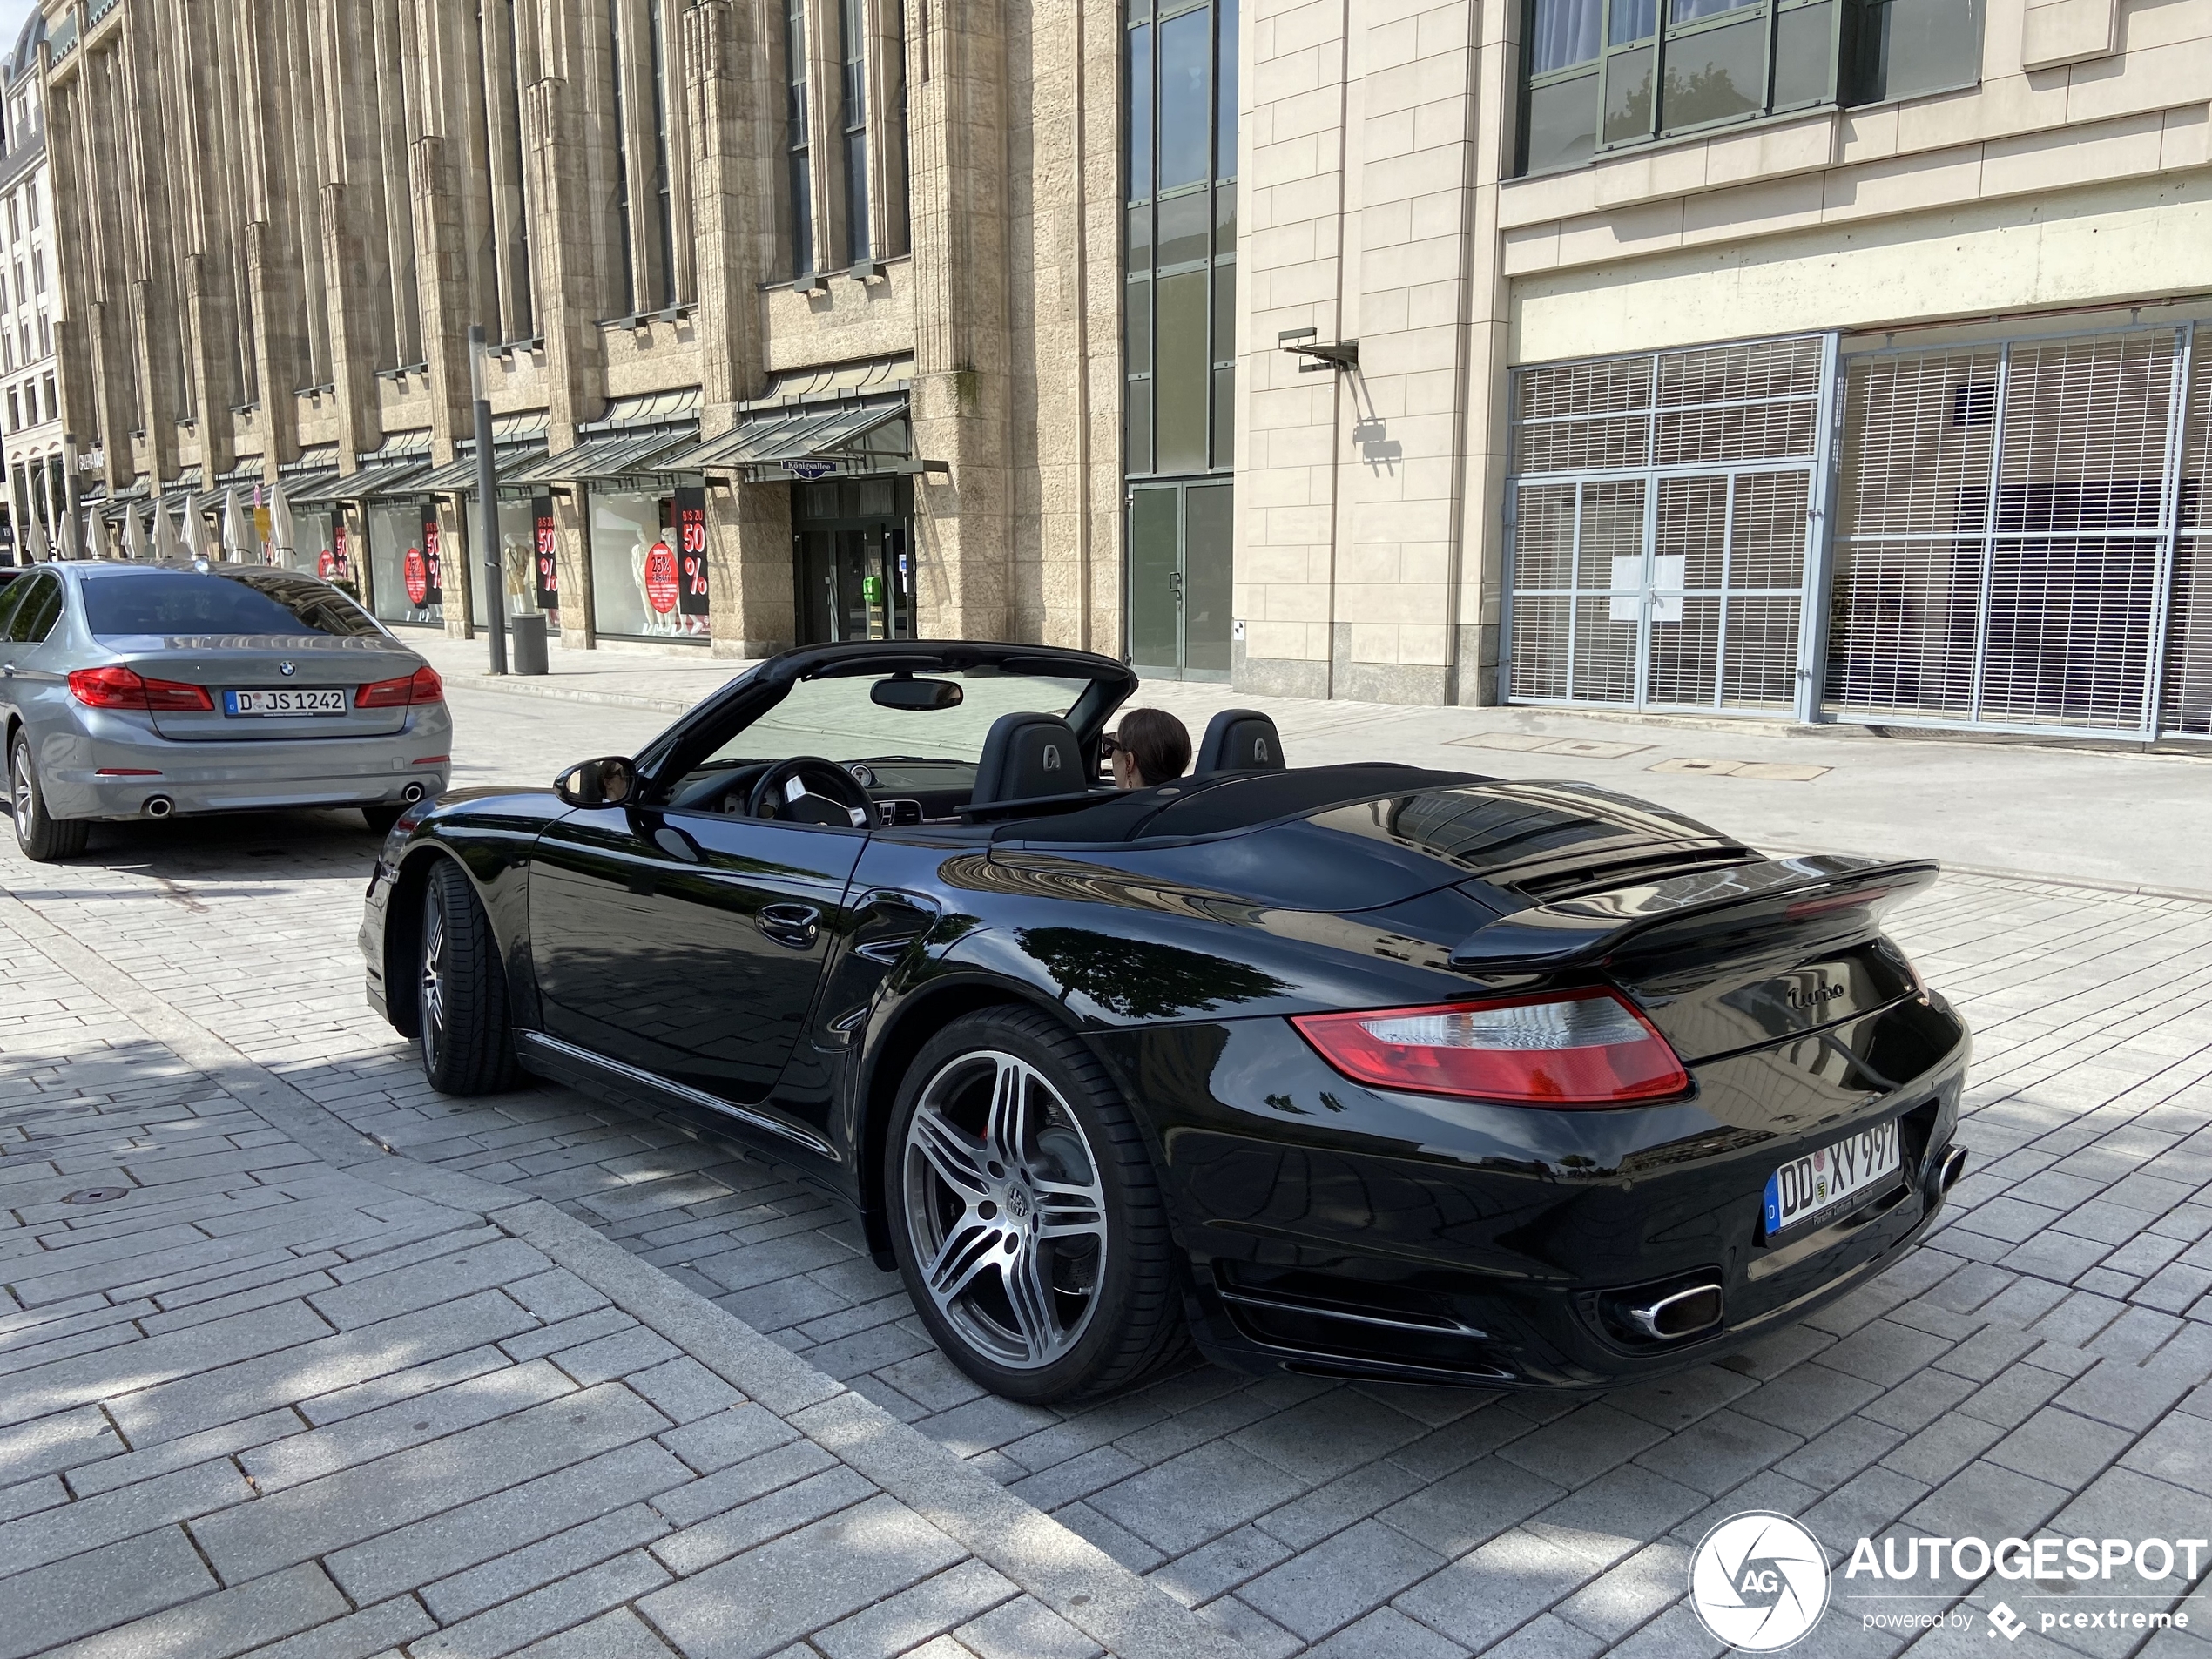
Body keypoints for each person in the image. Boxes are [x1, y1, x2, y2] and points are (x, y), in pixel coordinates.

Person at [1105, 707, 1191, 790]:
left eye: (1112, 747)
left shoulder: (1124, 804)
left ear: (1129, 761)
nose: (1110, 753)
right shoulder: (1189, 798)